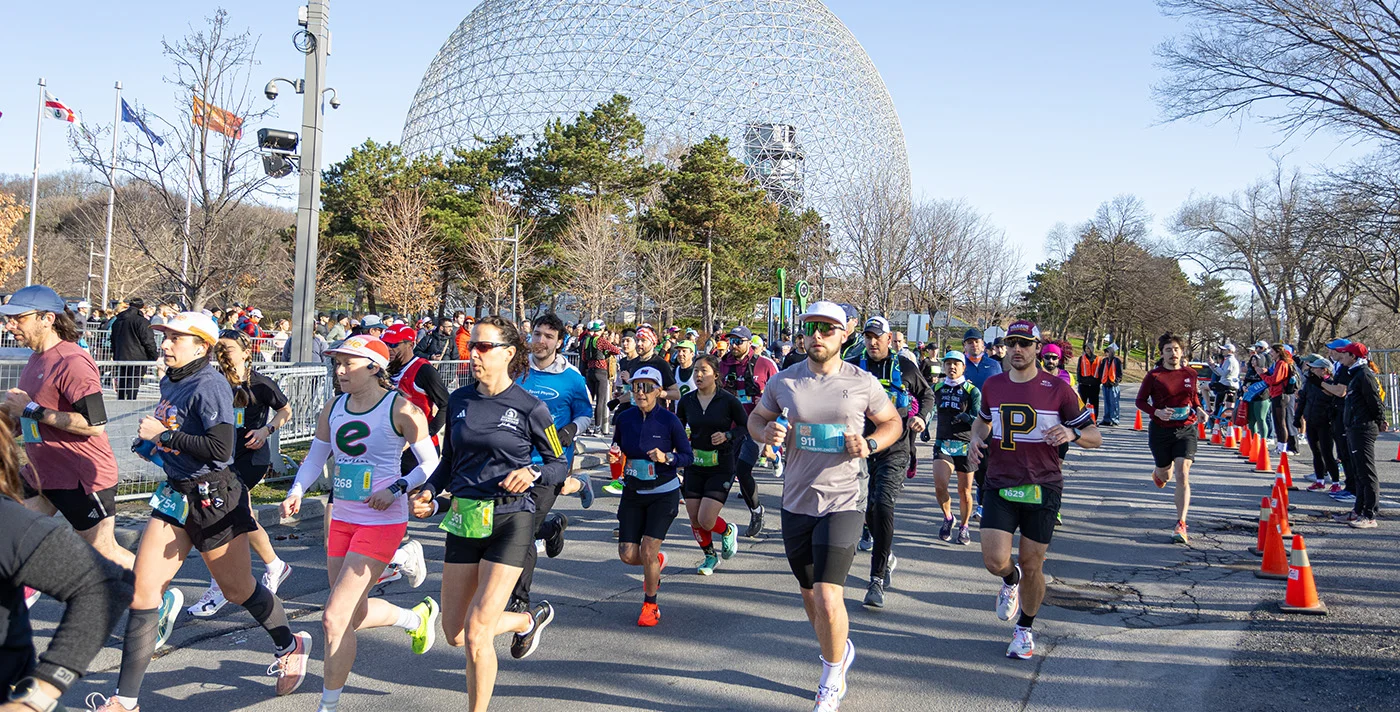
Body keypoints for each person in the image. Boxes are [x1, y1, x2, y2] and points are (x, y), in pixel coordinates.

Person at [92, 312, 311, 712]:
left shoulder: (210, 384)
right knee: (143, 591)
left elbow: (220, 449)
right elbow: (177, 435)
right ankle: (125, 700)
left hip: (214, 498)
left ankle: (290, 643)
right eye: (165, 336)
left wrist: (165, 435)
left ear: (201, 346)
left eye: (176, 337)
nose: (166, 343)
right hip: (174, 495)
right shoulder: (169, 379)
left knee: (237, 589)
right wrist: (157, 446)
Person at [748, 301, 903, 712]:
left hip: (845, 499)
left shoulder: (863, 381)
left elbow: (893, 424)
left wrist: (869, 444)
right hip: (797, 499)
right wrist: (768, 432)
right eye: (811, 327)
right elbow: (756, 419)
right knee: (811, 598)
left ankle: (831, 674)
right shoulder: (784, 381)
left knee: (829, 596)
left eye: (828, 329)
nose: (818, 335)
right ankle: (838, 650)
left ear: (843, 335)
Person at [280, 335, 442, 712]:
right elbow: (315, 456)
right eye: (336, 363)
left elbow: (431, 464)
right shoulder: (333, 407)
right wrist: (297, 490)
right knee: (352, 613)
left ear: (373, 366)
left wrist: (398, 487)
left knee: (334, 617)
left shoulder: (401, 409)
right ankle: (414, 618)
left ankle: (328, 705)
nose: (339, 371)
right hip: (343, 519)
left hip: (382, 521)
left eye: (347, 363)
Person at [411, 317, 565, 711]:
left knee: (478, 631)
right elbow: (448, 463)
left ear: (509, 353)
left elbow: (558, 464)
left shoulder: (531, 407)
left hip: (511, 519)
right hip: (464, 517)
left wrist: (531, 471)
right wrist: (429, 489)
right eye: (471, 347)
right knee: (455, 633)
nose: (473, 354)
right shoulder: (460, 400)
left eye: (483, 347)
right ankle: (525, 620)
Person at [968, 320, 1100, 660]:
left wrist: (1072, 435)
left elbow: (1094, 437)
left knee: (1033, 562)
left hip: (1043, 486)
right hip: (1000, 481)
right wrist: (974, 440)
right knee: (995, 560)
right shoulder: (994, 385)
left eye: (1025, 343)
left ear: (1037, 348)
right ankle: (1009, 580)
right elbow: (982, 421)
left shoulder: (1058, 389)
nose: (1017, 349)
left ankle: (1024, 629)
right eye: (1012, 343)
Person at [1, 414, 135, 712]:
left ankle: (152, 599)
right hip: (48, 477)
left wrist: (39, 694)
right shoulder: (37, 366)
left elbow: (106, 586)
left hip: (79, 478)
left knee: (104, 550)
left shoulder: (6, 522)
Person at [0, 285, 132, 570]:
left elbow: (95, 424)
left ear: (47, 318)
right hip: (42, 474)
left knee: (103, 552)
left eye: (18, 318)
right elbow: (28, 418)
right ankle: (23, 595)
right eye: (8, 319)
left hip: (80, 477)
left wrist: (30, 410)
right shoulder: (36, 358)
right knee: (8, 534)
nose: (10, 325)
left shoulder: (73, 362)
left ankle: (158, 593)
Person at [186, 330, 295, 618]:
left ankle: (222, 584)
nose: (224, 353)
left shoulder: (259, 383)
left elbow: (285, 410)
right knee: (237, 516)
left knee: (225, 515)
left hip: (251, 458)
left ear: (246, 352)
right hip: (220, 458)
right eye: (220, 347)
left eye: (230, 348)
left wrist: (266, 430)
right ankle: (273, 565)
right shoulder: (213, 382)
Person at [848, 316, 933, 608]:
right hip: (860, 448)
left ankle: (877, 579)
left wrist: (922, 417)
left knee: (883, 504)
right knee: (867, 512)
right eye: (868, 336)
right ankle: (888, 555)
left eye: (877, 337)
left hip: (895, 447)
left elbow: (927, 396)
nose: (872, 342)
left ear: (888, 339)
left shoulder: (905, 366)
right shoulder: (852, 365)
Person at [514, 314, 594, 613]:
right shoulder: (517, 371)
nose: (541, 341)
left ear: (560, 342)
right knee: (517, 526)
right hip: (514, 460)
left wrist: (569, 431)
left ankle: (519, 600)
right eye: (537, 334)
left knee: (521, 533)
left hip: (550, 462)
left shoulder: (572, 378)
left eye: (548, 336)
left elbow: (586, 413)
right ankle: (551, 528)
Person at [608, 367, 692, 624]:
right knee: (627, 555)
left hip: (663, 494)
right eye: (635, 387)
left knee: (647, 550)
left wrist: (668, 457)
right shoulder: (625, 419)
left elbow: (688, 457)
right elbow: (617, 449)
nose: (639, 393)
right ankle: (656, 562)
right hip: (633, 492)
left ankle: (650, 605)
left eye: (645, 387)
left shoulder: (669, 420)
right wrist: (614, 459)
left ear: (658, 390)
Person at [677, 354, 746, 575]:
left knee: (707, 519)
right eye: (696, 370)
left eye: (704, 370)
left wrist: (727, 435)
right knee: (694, 519)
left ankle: (727, 530)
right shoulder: (687, 400)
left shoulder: (728, 400)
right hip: (694, 464)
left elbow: (746, 427)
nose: (698, 375)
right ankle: (709, 557)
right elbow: (677, 426)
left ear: (715, 375)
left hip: (721, 464)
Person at [1135, 333, 1207, 544]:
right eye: (1168, 349)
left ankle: (1181, 523)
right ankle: (1158, 473)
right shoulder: (1154, 376)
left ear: (1181, 352)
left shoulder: (1190, 373)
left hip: (1186, 429)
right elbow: (1140, 401)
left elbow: (1193, 397)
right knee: (1165, 475)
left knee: (1182, 473)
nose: (1173, 353)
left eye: (1176, 349)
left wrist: (1200, 409)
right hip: (1160, 430)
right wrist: (1155, 412)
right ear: (1162, 353)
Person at [718, 325, 780, 536]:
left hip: (757, 427)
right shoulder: (723, 364)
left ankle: (756, 511)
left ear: (748, 343)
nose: (734, 345)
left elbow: (780, 396)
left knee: (743, 469)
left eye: (738, 341)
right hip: (732, 427)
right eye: (731, 341)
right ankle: (756, 509)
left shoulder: (764, 364)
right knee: (731, 472)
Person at [1326, 342, 1384, 528]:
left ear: (1354, 357)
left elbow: (1374, 401)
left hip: (1363, 428)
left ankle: (1370, 514)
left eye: (1345, 354)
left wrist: (1381, 420)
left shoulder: (1364, 375)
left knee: (1366, 472)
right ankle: (1357, 510)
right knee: (1358, 472)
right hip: (1352, 426)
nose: (1342, 357)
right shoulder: (1354, 374)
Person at [931, 350, 982, 546]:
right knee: (940, 485)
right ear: (944, 366)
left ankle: (964, 526)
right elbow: (930, 408)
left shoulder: (972, 391)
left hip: (965, 445)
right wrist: (925, 427)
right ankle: (948, 517)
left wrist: (967, 417)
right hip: (943, 443)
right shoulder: (937, 387)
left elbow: (980, 418)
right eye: (948, 363)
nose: (952, 367)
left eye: (956, 363)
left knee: (965, 491)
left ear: (963, 367)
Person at [963, 328, 1002, 521]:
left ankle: (983, 503)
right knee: (970, 466)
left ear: (983, 344)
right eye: (970, 342)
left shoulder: (994, 365)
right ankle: (972, 500)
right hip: (964, 422)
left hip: (989, 421)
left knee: (985, 463)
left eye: (977, 341)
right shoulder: (960, 365)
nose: (974, 345)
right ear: (965, 346)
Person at [1295, 354, 1342, 491]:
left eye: (1316, 368)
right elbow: (1303, 399)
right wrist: (1298, 417)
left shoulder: (1332, 384)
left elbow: (1335, 400)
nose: (1312, 370)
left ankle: (1335, 483)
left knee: (1327, 453)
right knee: (1316, 452)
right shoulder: (1310, 382)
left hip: (1325, 422)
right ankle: (1319, 480)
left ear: (1325, 370)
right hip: (1311, 419)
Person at [111, 298, 159, 401]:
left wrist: (115, 354)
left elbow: (113, 340)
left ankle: (121, 402)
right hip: (138, 357)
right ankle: (130, 402)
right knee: (133, 383)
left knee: (123, 382)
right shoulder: (141, 321)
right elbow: (148, 340)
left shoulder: (118, 320)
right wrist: (154, 355)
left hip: (121, 356)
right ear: (142, 307)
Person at [580, 320, 621, 436]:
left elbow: (583, 357)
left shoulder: (586, 342)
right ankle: (597, 428)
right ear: (600, 331)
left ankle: (586, 426)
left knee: (589, 400)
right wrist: (607, 353)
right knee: (600, 401)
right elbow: (616, 350)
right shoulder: (602, 341)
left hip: (589, 372)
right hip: (601, 372)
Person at [1259, 344, 1299, 454]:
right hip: (1277, 394)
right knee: (1278, 422)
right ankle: (1280, 445)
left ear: (1278, 352)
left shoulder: (1282, 363)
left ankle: (1283, 447)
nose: (1270, 355)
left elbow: (1274, 380)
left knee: (1281, 422)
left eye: (1272, 352)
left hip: (1281, 395)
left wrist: (1262, 375)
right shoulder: (1278, 363)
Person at [1243, 341, 1273, 443]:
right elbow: (1245, 381)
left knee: (1260, 418)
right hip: (1250, 397)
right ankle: (1253, 441)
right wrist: (1244, 387)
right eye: (1252, 360)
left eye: (1255, 361)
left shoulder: (1265, 371)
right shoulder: (1250, 371)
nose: (1253, 362)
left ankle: (1264, 440)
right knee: (1251, 420)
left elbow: (1269, 382)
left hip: (1262, 397)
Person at [1209, 343, 1241, 432]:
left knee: (1204, 388)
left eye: (1224, 350)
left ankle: (1209, 409)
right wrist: (1212, 366)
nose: (1222, 351)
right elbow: (1219, 372)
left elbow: (1223, 374)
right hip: (1231, 385)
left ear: (1230, 351)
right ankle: (1223, 417)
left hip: (1226, 384)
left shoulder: (1229, 360)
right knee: (1229, 405)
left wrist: (1214, 366)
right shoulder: (1230, 360)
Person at [1097, 344, 1124, 426]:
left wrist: (1116, 381)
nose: (1106, 354)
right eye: (1105, 352)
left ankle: (1114, 419)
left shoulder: (1116, 361)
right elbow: (1101, 371)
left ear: (1111, 353)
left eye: (1107, 352)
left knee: (1114, 403)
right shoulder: (1104, 361)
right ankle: (1106, 419)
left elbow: (1120, 373)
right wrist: (1102, 381)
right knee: (1106, 403)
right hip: (1105, 384)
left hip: (1113, 385)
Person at [1075, 344, 1101, 418]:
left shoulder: (1098, 359)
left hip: (1094, 385)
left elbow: (1100, 371)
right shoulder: (1082, 358)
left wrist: (1099, 381)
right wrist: (1079, 380)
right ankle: (1081, 418)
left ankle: (1094, 418)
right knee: (1082, 403)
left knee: (1094, 402)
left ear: (1092, 349)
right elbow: (1078, 370)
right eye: (1086, 348)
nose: (1087, 350)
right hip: (1084, 384)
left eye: (1088, 348)